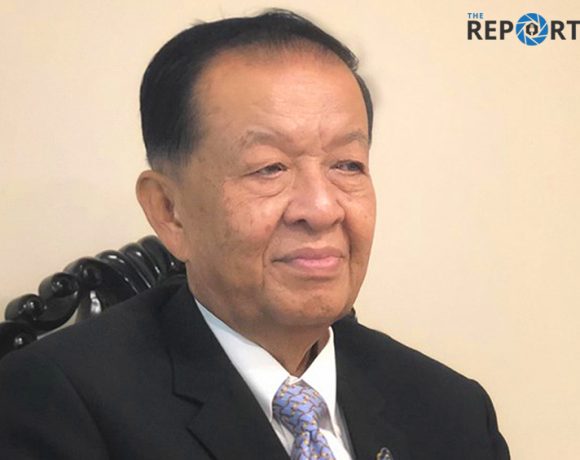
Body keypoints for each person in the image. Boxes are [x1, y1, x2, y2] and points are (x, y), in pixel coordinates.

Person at [0, 10, 509, 460]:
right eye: (269, 167)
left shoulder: (452, 410)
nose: (322, 209)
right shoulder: (55, 405)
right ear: (170, 211)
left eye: (348, 165)